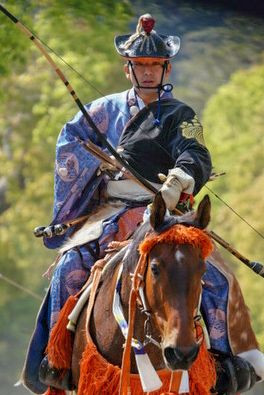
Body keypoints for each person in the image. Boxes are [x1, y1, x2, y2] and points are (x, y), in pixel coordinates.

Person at [22, 14, 264, 394]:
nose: (148, 73)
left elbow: (195, 153)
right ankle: (56, 361)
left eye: (154, 65)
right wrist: (94, 162)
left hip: (165, 212)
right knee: (69, 266)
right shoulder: (102, 111)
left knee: (216, 277)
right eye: (140, 66)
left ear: (165, 67)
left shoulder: (181, 115)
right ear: (128, 68)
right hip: (110, 213)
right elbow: (70, 143)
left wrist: (179, 181)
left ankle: (224, 363)